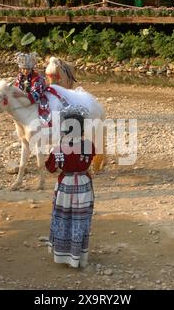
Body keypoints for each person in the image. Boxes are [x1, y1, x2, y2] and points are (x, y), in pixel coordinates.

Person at [45, 105, 96, 268]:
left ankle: (63, 255)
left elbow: (51, 168)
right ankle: (79, 257)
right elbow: (88, 163)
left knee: (63, 218)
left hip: (66, 185)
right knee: (80, 221)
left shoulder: (59, 149)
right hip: (84, 185)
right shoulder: (89, 145)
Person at [14, 52, 50, 124]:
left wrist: (23, 95)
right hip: (24, 97)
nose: (25, 71)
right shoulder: (20, 77)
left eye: (27, 69)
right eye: (23, 69)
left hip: (37, 98)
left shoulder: (37, 78)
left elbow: (36, 94)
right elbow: (16, 87)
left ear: (31, 69)